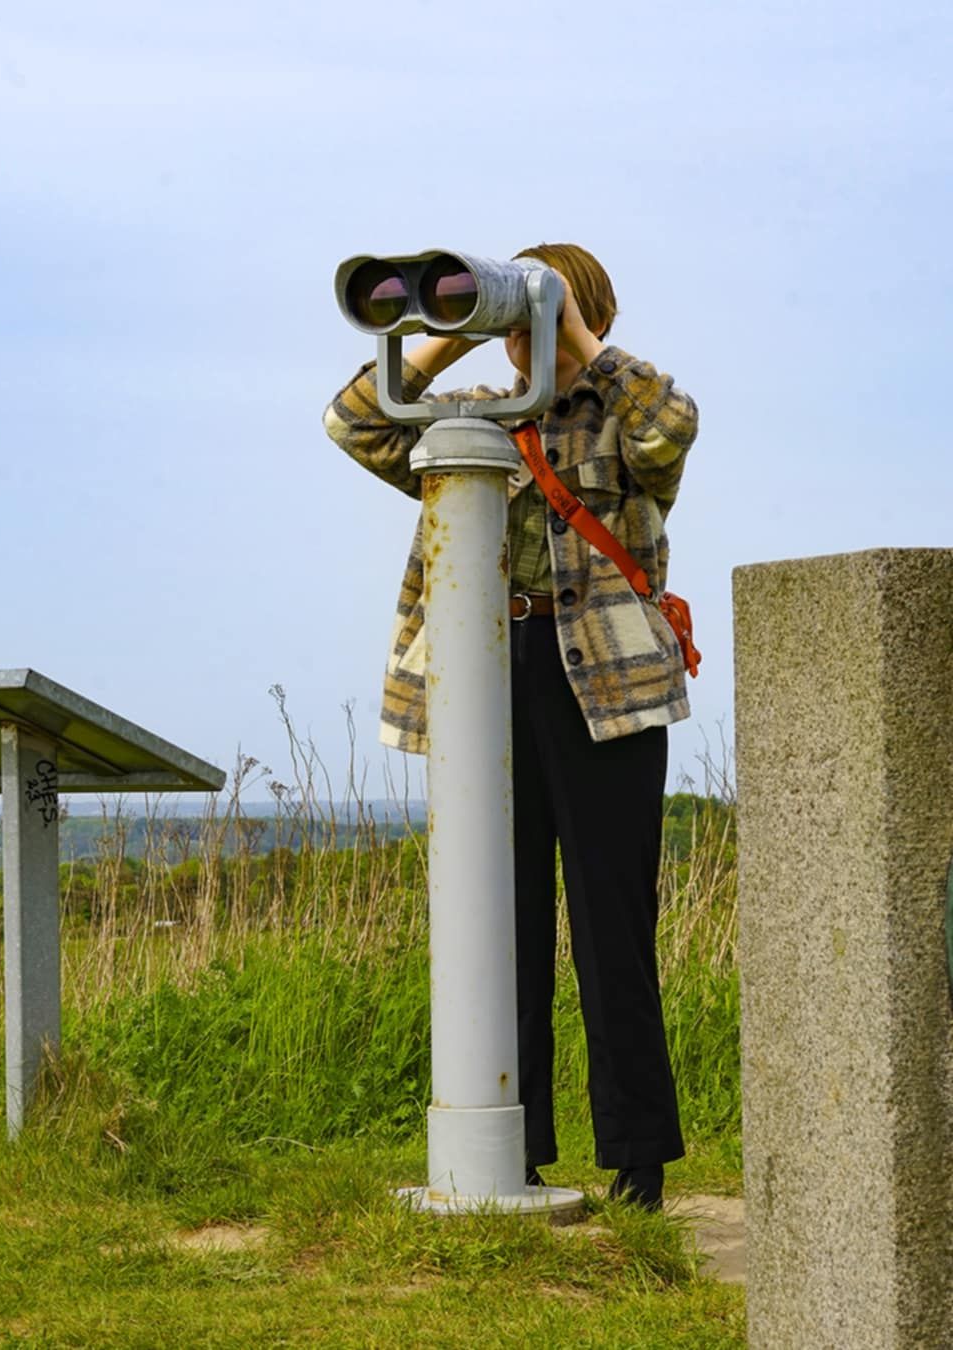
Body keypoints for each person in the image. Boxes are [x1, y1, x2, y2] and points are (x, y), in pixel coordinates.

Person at [323, 243, 698, 1211]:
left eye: (540, 300)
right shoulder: (471, 421)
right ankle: (514, 1149)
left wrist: (574, 337)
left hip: (605, 685)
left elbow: (671, 430)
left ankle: (638, 1159)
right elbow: (354, 422)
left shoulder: (622, 417)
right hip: (487, 676)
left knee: (614, 925)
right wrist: (439, 342)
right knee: (501, 923)